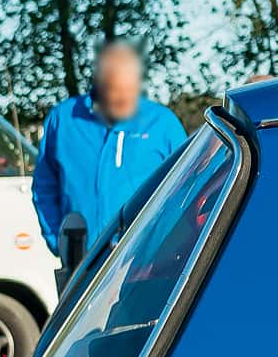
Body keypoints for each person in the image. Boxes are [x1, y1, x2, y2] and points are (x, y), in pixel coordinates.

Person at [29, 39, 191, 275]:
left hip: (145, 264)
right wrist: (59, 242)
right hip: (81, 265)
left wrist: (165, 246)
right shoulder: (62, 120)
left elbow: (187, 188)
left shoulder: (163, 123)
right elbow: (44, 187)